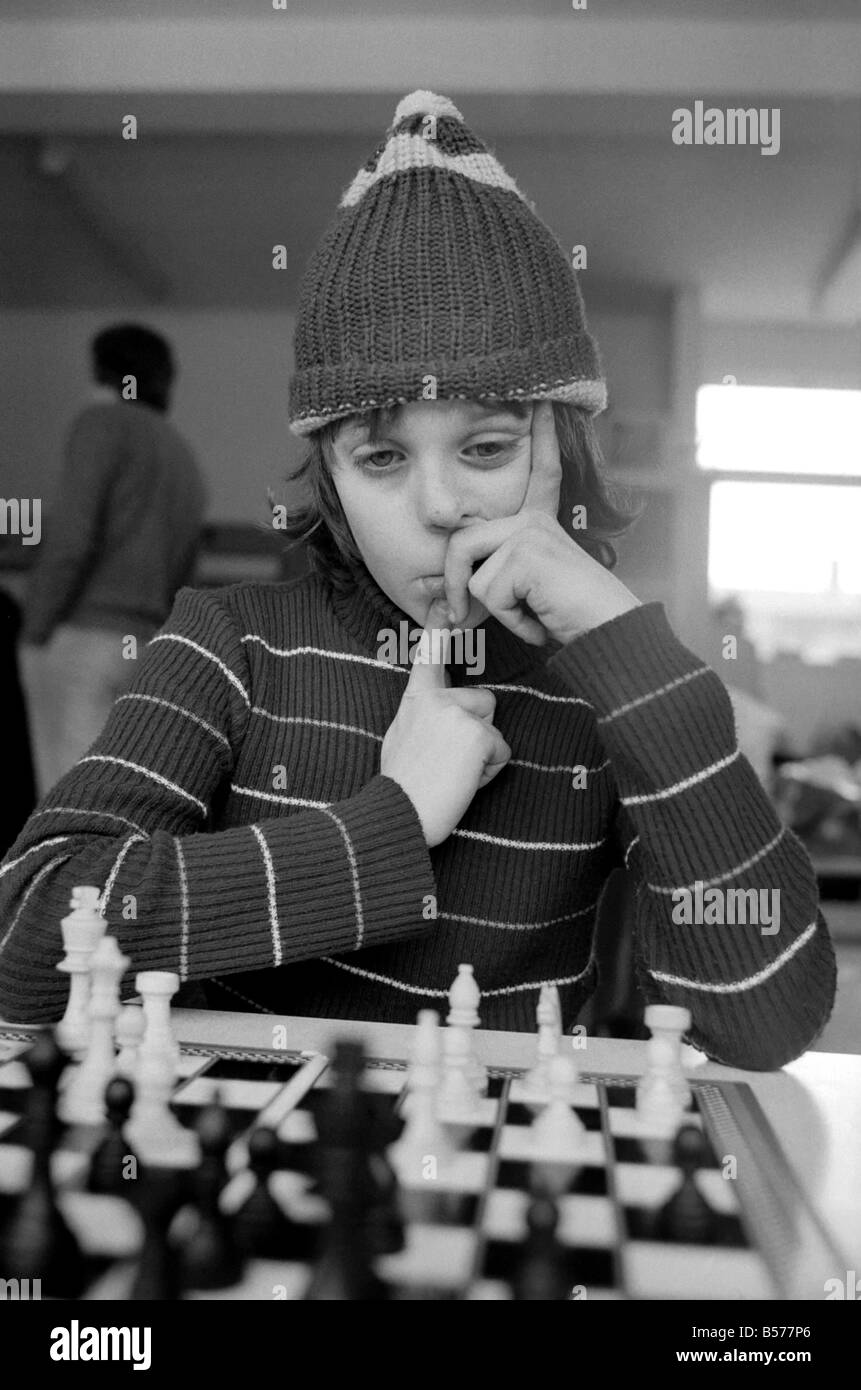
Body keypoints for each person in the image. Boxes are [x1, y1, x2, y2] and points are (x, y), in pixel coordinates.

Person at [0, 92, 836, 1070]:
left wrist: (638, 656)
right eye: (383, 460)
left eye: (485, 446)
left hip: (499, 1196)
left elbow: (765, 1020)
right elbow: (26, 946)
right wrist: (387, 828)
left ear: (564, 447)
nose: (439, 506)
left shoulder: (608, 693)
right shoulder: (230, 644)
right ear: (332, 478)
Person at [18, 324, 207, 797]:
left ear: (103, 368)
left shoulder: (100, 424)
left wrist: (33, 628)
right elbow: (185, 571)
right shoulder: (182, 455)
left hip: (82, 639)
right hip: (143, 648)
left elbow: (71, 536)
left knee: (63, 804)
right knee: (115, 800)